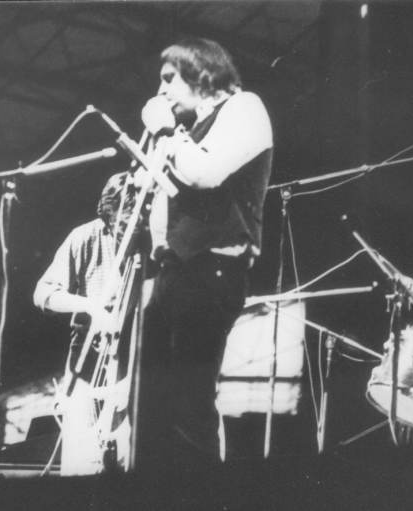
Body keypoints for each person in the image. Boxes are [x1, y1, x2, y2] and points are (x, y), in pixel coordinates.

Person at [135, 37, 273, 471]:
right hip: (174, 271)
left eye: (169, 78)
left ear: (202, 73)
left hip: (212, 267)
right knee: (152, 403)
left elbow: (206, 173)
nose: (161, 90)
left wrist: (165, 132)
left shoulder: (245, 108)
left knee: (188, 399)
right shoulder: (191, 130)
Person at [33, 171, 135, 475]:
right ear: (106, 217)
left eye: (134, 225)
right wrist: (90, 306)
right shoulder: (84, 237)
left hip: (133, 371)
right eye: (121, 226)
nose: (127, 235)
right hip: (86, 367)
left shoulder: (151, 242)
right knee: (81, 465)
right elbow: (43, 293)